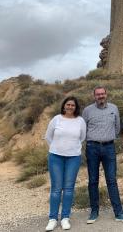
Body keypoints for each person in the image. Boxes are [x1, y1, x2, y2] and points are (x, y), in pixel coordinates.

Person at [82, 86, 123, 224]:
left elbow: (117, 128)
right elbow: (83, 129)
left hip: (109, 147)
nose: (100, 96)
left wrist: (107, 137)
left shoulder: (114, 108)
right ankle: (94, 211)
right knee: (93, 180)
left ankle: (119, 212)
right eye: (98, 94)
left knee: (111, 180)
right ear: (94, 96)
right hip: (92, 148)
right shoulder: (87, 110)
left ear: (106, 94)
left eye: (102, 94)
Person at [45, 96, 86, 231]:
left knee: (68, 189)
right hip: (56, 157)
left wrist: (70, 148)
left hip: (73, 158)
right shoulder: (56, 119)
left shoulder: (80, 121)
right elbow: (48, 136)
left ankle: (65, 218)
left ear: (76, 107)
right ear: (64, 106)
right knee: (56, 189)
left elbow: (82, 138)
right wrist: (57, 148)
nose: (70, 107)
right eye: (68, 105)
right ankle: (52, 218)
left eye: (72, 105)